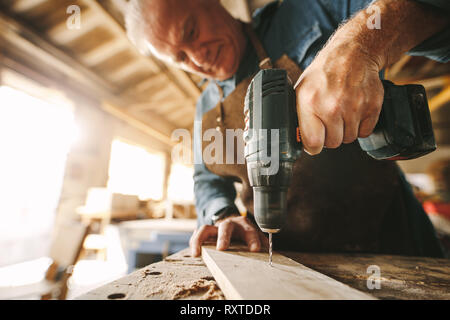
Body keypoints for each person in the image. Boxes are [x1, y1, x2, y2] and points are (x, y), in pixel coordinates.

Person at [125, 0, 450, 258]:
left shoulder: (308, 12)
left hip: (386, 235)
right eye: (180, 57)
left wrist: (362, 43)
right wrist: (222, 215)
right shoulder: (205, 108)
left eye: (191, 31)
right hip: (283, 257)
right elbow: (207, 180)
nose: (197, 57)